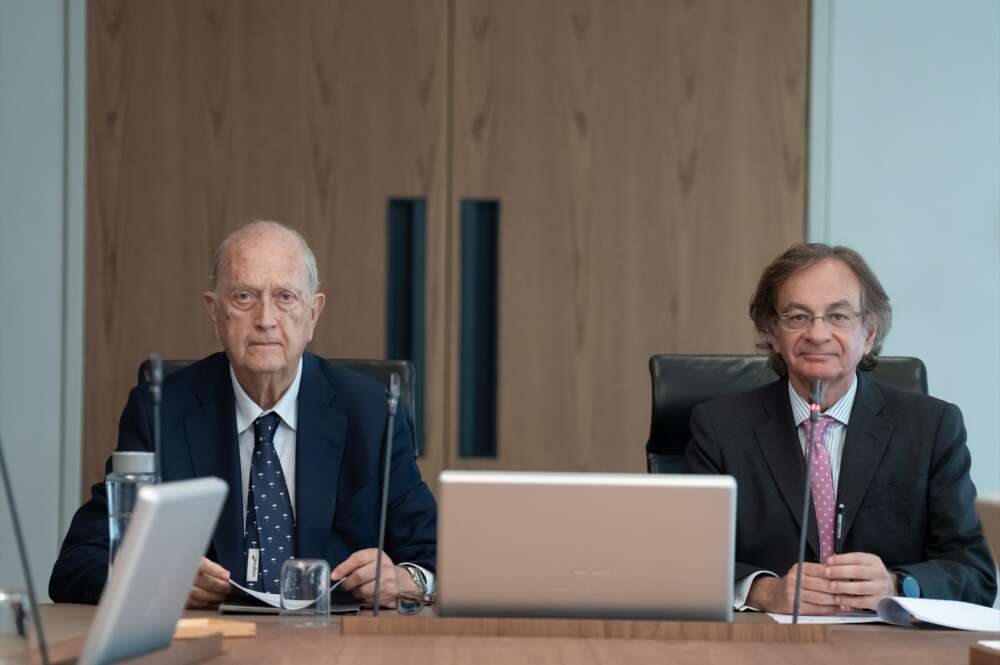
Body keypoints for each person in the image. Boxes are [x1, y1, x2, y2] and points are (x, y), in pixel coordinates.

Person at [50, 221, 437, 608]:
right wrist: (161, 580)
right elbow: (78, 563)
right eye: (244, 296)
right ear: (214, 312)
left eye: (285, 297)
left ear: (313, 314)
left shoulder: (371, 412)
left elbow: (441, 555)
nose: (265, 319)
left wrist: (409, 581)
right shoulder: (162, 413)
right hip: (213, 645)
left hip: (333, 642)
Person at [685, 243, 996, 613]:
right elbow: (684, 562)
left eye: (838, 316)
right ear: (772, 332)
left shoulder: (931, 427)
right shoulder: (719, 428)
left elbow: (974, 576)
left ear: (868, 334)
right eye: (798, 317)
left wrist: (898, 584)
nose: (818, 334)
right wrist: (764, 592)